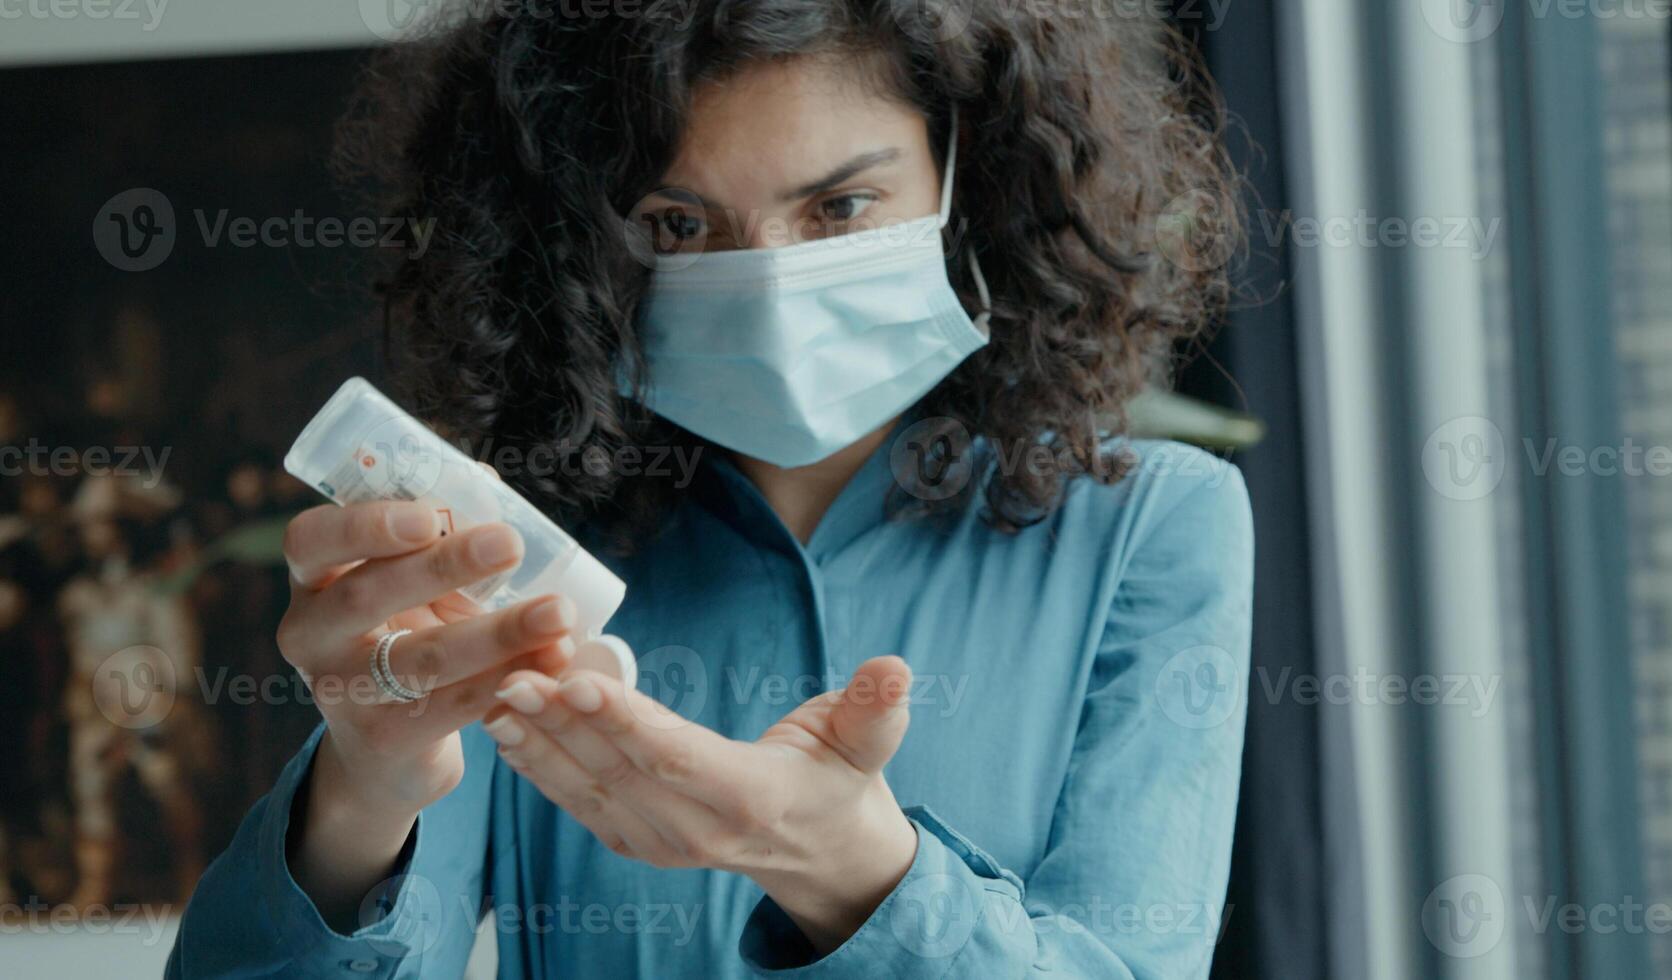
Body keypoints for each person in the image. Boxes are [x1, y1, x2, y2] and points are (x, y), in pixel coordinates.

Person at [168, 2, 1252, 977]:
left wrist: (847, 866)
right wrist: (366, 785)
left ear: (972, 175)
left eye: (838, 207)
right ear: (581, 237)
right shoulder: (516, 558)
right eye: (679, 225)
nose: (770, 280)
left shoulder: (1148, 523)